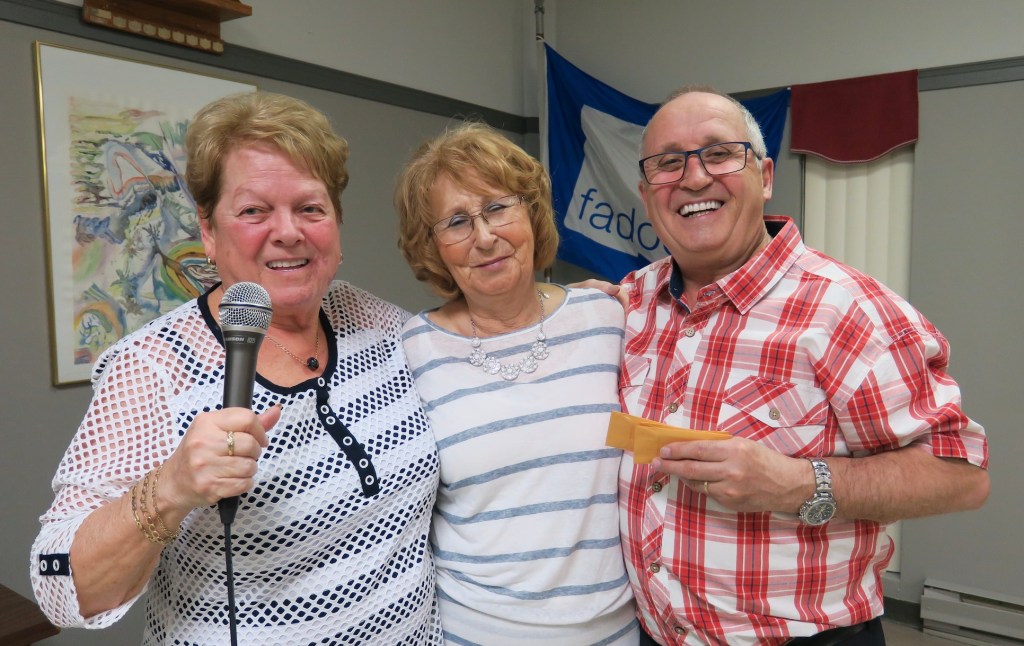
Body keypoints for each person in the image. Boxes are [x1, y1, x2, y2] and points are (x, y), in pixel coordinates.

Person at [30, 92, 442, 644]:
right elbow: (59, 589)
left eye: (310, 208)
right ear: (208, 231)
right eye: (253, 211)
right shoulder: (153, 367)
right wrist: (171, 488)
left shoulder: (381, 323)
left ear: (336, 224)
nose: (288, 231)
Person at [618, 86, 990, 645]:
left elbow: (961, 477)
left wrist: (795, 483)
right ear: (647, 196)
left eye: (719, 154)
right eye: (668, 163)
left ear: (765, 176)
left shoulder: (847, 310)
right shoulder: (631, 302)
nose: (694, 178)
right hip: (652, 633)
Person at [394, 121, 639, 644]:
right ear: (432, 246)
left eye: (498, 208)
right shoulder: (411, 350)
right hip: (476, 633)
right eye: (456, 222)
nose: (485, 237)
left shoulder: (608, 318)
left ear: (531, 212)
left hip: (616, 630)